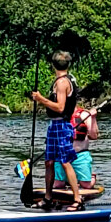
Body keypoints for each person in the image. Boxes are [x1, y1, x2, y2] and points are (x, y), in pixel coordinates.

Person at [31, 51, 83, 211]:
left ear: (53, 65)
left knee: (65, 161)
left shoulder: (62, 83)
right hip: (54, 126)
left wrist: (41, 100)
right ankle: (48, 198)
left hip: (62, 125)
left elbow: (60, 107)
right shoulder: (63, 80)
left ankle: (77, 199)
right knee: (49, 162)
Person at [55, 106, 99, 189]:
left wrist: (93, 118)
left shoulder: (84, 114)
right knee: (58, 185)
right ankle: (69, 180)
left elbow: (94, 136)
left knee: (86, 185)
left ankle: (91, 177)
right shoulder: (58, 115)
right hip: (63, 155)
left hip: (80, 155)